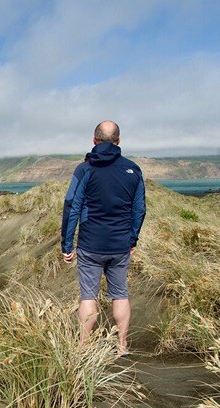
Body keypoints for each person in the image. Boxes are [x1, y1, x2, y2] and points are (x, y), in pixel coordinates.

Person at [60, 120, 146, 354]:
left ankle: (83, 346)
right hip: (120, 245)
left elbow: (72, 206)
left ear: (94, 140)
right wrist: (132, 240)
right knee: (120, 294)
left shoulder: (85, 169)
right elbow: (139, 209)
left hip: (90, 245)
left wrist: (67, 245)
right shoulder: (133, 169)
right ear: (118, 141)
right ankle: (122, 346)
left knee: (88, 296)